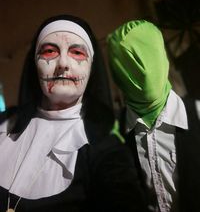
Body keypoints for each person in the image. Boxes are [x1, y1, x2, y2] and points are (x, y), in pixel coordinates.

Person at [0, 14, 147, 212]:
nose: (63, 63)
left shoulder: (106, 153)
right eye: (50, 51)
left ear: (91, 67)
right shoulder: (4, 126)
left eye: (77, 52)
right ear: (34, 63)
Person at [107, 19, 200, 212]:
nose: (144, 70)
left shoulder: (198, 114)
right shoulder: (114, 135)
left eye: (149, 55)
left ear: (163, 57)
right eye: (128, 62)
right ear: (117, 74)